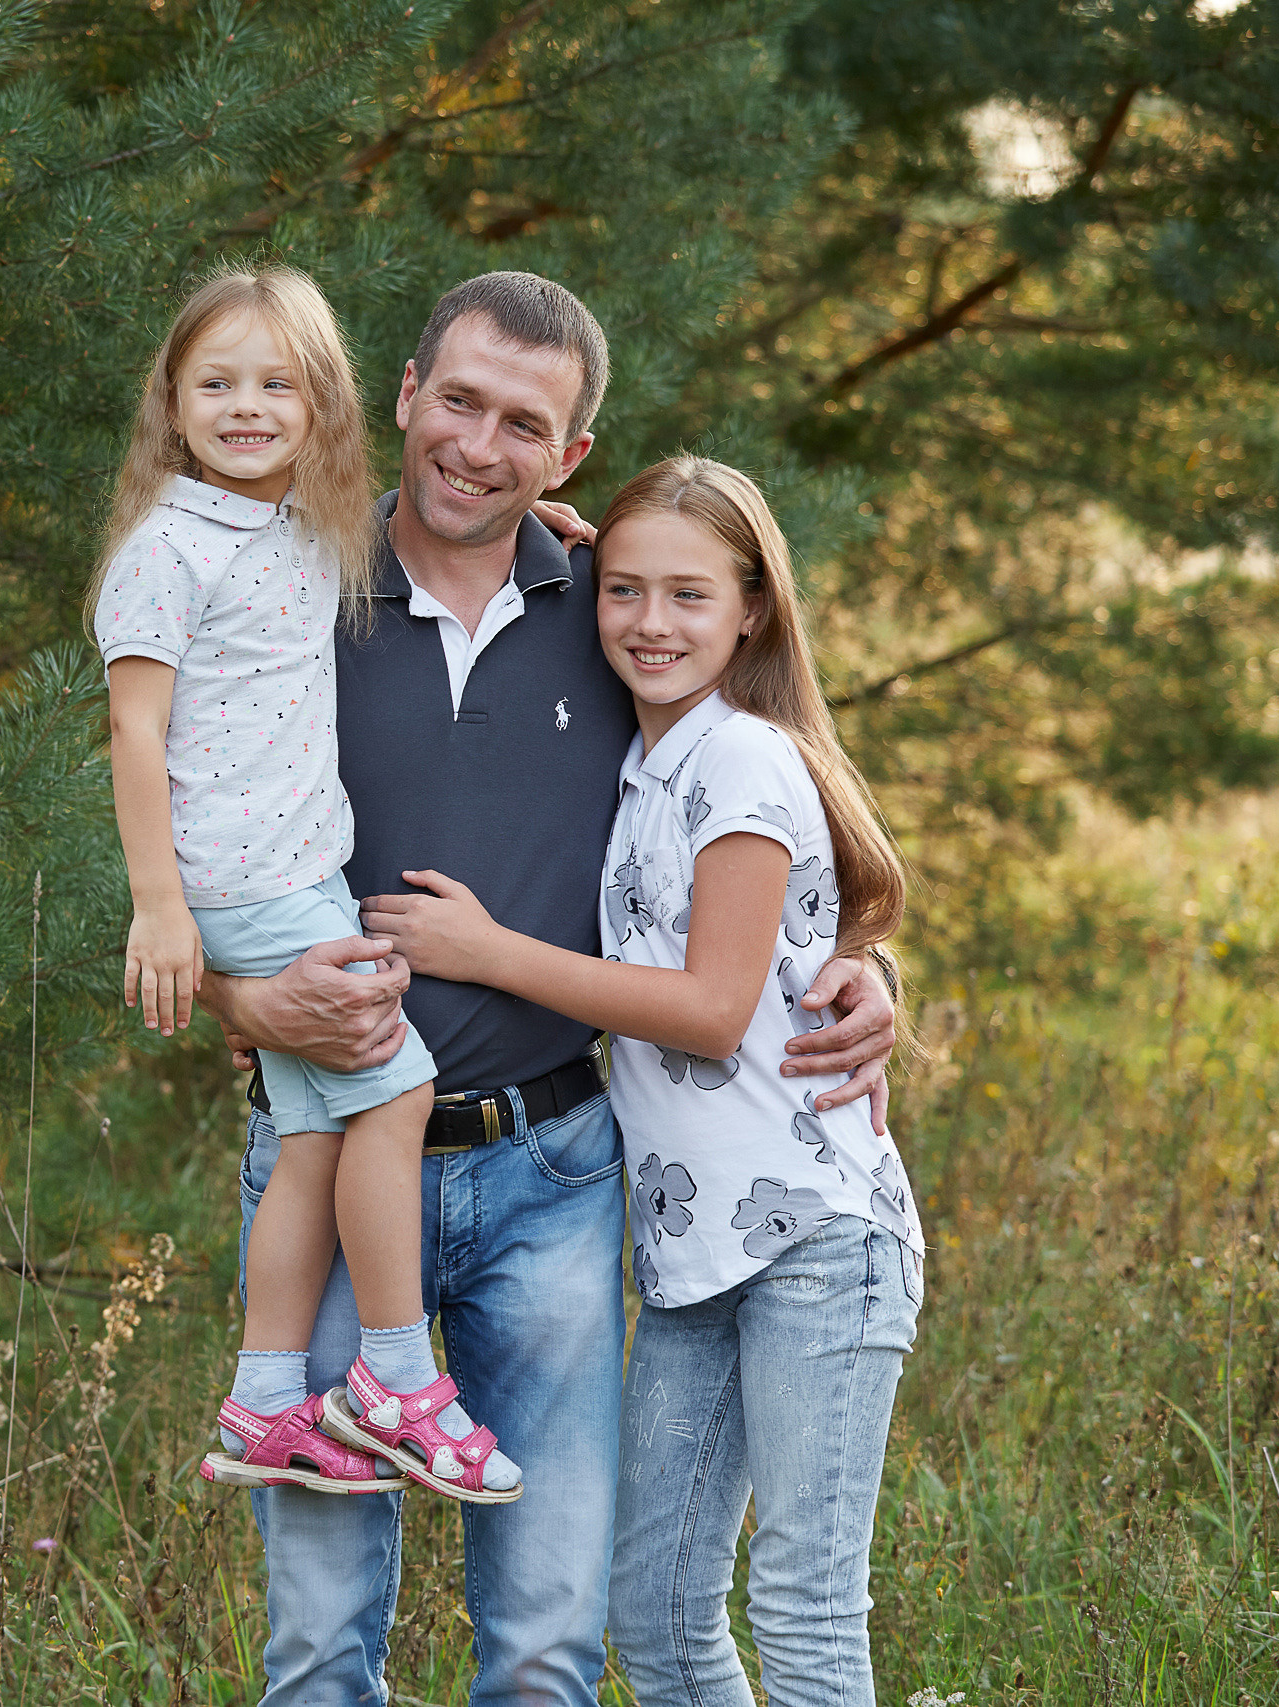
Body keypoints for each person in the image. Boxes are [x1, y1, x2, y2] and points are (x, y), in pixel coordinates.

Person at [196, 272, 898, 1706]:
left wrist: (861, 961)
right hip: (328, 1157)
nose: (480, 444)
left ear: (567, 455)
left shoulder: (613, 604)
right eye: (459, 400)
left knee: (547, 1645)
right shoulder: (274, 600)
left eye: (527, 423)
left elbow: (750, 806)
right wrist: (246, 1003)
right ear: (403, 395)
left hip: (559, 1172)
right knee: (320, 1641)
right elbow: (177, 884)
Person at [364, 456, 923, 1706]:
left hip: (814, 1244)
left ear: (751, 612)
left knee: (801, 1610)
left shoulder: (743, 763)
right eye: (622, 592)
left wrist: (489, 954)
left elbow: (718, 1013)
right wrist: (549, 528)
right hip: (689, 1256)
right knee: (658, 1620)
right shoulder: (644, 755)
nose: (650, 624)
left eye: (687, 596)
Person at [91, 267, 519, 1504]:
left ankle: (267, 1399)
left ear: (324, 405)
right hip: (249, 878)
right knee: (401, 1089)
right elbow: (132, 733)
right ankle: (393, 1374)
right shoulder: (167, 547)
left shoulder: (293, 526)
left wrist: (560, 526)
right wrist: (161, 907)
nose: (245, 405)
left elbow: (439, 522)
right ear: (171, 403)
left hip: (291, 870)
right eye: (215, 382)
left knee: (316, 1136)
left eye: (277, 383)